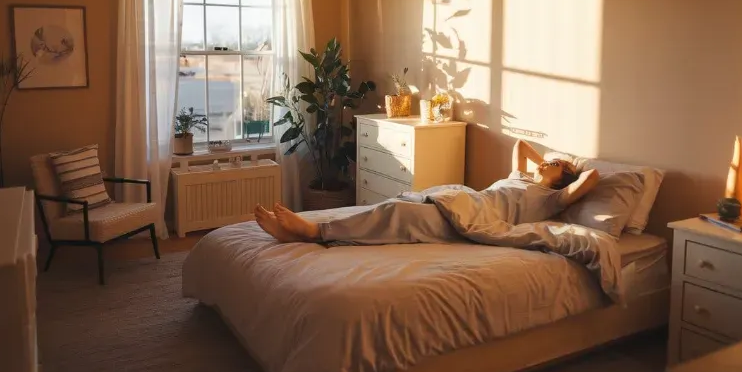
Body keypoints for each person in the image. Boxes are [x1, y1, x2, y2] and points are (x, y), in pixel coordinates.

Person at [254, 139, 600, 245]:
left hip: (474, 217)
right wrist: (545, 163)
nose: (544, 163)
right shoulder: (520, 178)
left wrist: (569, 167)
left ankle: (314, 231)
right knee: (395, 204)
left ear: (562, 178)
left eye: (553, 165)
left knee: (395, 214)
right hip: (462, 201)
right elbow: (521, 145)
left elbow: (593, 176)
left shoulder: (553, 199)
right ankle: (304, 231)